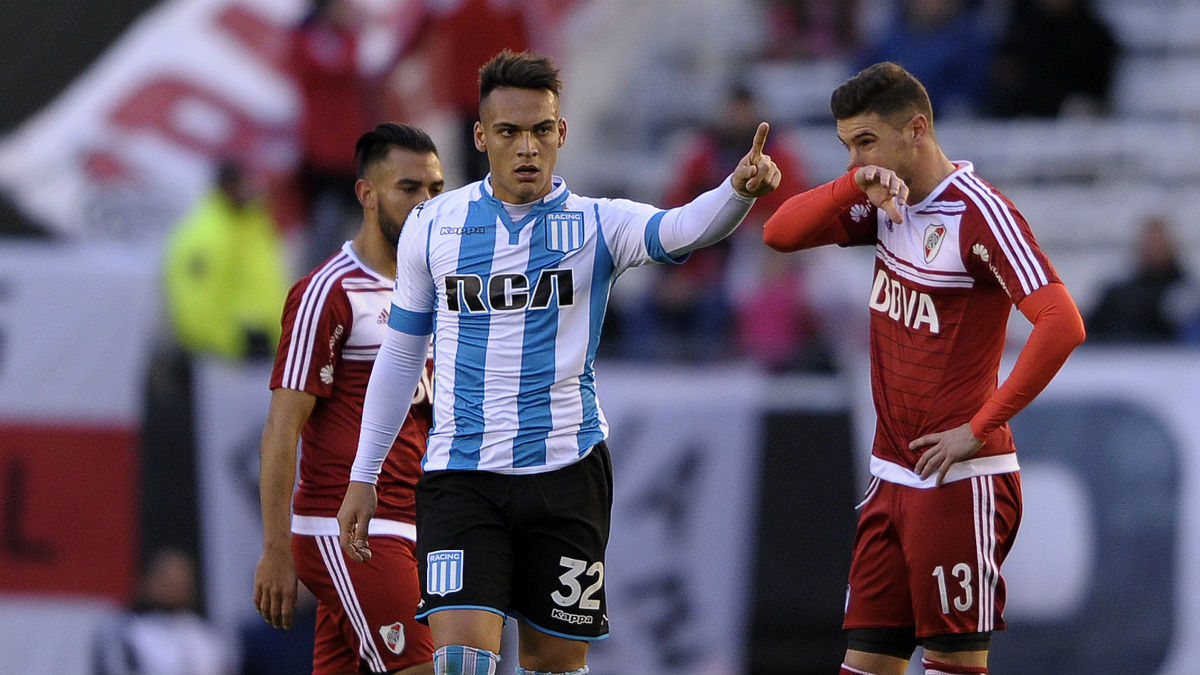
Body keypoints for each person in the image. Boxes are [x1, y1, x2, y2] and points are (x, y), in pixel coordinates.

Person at [337, 49, 780, 675]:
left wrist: (737, 190)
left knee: (554, 664)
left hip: (566, 473)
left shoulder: (598, 223)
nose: (526, 148)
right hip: (462, 476)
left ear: (561, 135)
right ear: (481, 136)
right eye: (510, 132)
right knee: (462, 662)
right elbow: (404, 350)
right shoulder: (434, 224)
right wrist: (365, 471)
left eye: (541, 131)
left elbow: (684, 228)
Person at [762, 62, 1086, 674]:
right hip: (891, 475)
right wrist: (851, 185)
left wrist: (980, 426)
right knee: (865, 665)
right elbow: (778, 233)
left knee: (951, 666)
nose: (855, 160)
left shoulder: (980, 213)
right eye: (845, 145)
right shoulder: (885, 201)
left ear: (915, 129)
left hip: (958, 479)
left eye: (865, 142)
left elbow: (1062, 323)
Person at [253, 123, 446, 675]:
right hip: (352, 528)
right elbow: (281, 428)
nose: (426, 204)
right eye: (409, 189)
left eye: (435, 189)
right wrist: (275, 548)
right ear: (367, 194)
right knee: (427, 667)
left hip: (412, 523)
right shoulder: (330, 291)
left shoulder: (439, 291)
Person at [162, 160, 291, 361]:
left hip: (266, 347)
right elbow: (194, 303)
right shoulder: (206, 235)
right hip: (228, 356)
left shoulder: (255, 227)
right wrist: (232, 339)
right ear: (225, 187)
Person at [94, 548, 235, 675]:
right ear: (148, 582)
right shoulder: (127, 635)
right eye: (167, 580)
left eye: (181, 580)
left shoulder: (209, 636)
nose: (174, 587)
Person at [984, 0, 1118, 118]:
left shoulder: (1096, 38)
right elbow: (1005, 80)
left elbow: (1094, 94)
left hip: (1069, 123)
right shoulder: (1020, 32)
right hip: (1020, 118)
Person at [1086, 215, 1195, 343]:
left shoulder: (1186, 295)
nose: (1152, 247)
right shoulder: (1117, 294)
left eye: (1158, 241)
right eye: (1148, 241)